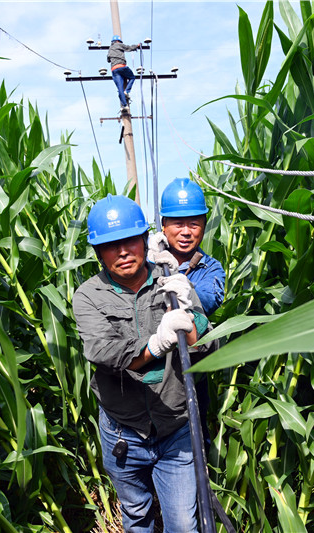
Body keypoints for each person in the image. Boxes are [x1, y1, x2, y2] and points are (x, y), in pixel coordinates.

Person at [73, 194, 215, 532]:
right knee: (137, 517)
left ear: (144, 241)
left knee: (184, 525)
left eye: (130, 241)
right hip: (123, 432)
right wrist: (157, 342)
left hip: (175, 427)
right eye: (111, 246)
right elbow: (105, 353)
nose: (123, 251)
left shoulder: (172, 282)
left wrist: (189, 313)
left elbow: (208, 348)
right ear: (98, 252)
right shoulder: (88, 296)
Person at [147, 178, 226, 447]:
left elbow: (205, 303)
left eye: (194, 224)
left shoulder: (211, 269)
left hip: (188, 372)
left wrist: (178, 278)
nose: (186, 232)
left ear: (204, 225)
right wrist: (148, 262)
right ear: (163, 225)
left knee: (195, 441)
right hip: (150, 366)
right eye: (178, 224)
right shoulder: (147, 260)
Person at [107, 35, 141, 112]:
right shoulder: (119, 45)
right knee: (132, 77)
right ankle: (127, 91)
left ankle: (125, 106)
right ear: (118, 41)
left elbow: (108, 60)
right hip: (122, 66)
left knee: (120, 89)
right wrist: (137, 46)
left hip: (114, 69)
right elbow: (129, 48)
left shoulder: (110, 49)